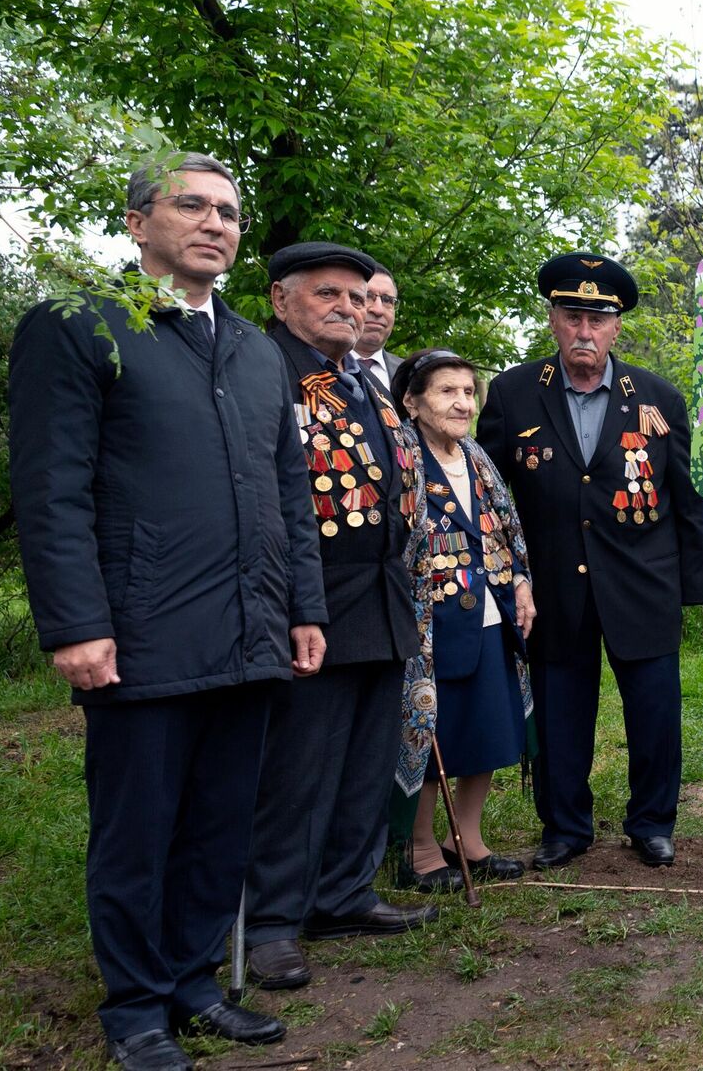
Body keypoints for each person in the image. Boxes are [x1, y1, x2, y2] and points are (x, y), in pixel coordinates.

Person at [8, 152, 325, 1070]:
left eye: (228, 212)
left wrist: (303, 606)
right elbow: (52, 488)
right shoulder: (80, 327)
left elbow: (288, 491)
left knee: (221, 825)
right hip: (139, 634)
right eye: (193, 206)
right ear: (140, 221)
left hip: (250, 629)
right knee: (139, 832)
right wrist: (74, 623)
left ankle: (193, 984)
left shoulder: (258, 350)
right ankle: (137, 1009)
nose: (216, 223)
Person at [476, 252, 703, 870]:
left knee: (655, 711)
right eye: (573, 316)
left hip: (642, 583)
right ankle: (564, 826)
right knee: (560, 711)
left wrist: (693, 587)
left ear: (616, 328)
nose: (585, 331)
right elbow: (490, 496)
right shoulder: (513, 393)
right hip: (553, 585)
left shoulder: (658, 397)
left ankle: (653, 821)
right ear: (553, 319)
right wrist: (503, 581)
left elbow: (685, 496)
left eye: (598, 320)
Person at [244, 242, 434, 992]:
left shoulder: (366, 380)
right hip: (311, 596)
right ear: (281, 299)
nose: (349, 310)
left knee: (363, 763)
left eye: (358, 299)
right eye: (329, 295)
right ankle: (271, 921)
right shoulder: (266, 370)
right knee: (299, 768)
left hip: (383, 596)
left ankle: (344, 894)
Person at [389, 349, 537, 889]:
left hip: (491, 609)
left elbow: (507, 527)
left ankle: (466, 840)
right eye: (447, 391)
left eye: (469, 392)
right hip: (431, 621)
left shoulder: (476, 457)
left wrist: (521, 580)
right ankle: (422, 848)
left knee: (491, 728)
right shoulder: (400, 456)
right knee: (438, 733)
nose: (462, 403)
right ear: (412, 400)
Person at [352, 262, 404, 389]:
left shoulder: (409, 374)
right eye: (367, 296)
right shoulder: (314, 364)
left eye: (387, 300)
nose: (378, 310)